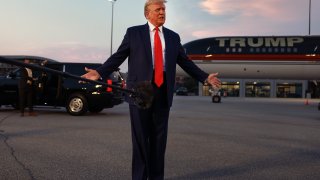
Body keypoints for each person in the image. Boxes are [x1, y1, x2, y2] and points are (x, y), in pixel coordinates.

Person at [82, 0, 221, 179]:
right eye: (158, 10)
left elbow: (185, 62)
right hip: (139, 92)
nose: (162, 12)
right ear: (147, 14)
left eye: (164, 9)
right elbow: (118, 56)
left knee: (159, 141)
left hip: (162, 92)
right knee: (140, 140)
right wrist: (100, 72)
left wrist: (204, 77)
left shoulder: (172, 36)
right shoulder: (134, 33)